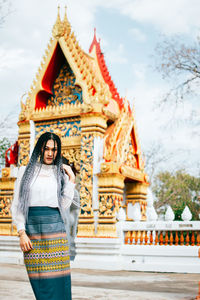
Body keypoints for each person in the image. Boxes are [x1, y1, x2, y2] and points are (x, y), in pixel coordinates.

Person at [11, 132, 77, 300]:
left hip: (56, 233)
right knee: (40, 285)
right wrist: (21, 232)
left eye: (54, 150)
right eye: (46, 148)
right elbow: (17, 204)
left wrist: (71, 179)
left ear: (58, 151)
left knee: (59, 285)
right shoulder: (25, 171)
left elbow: (63, 205)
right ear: (40, 148)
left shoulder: (59, 173)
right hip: (32, 232)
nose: (49, 153)